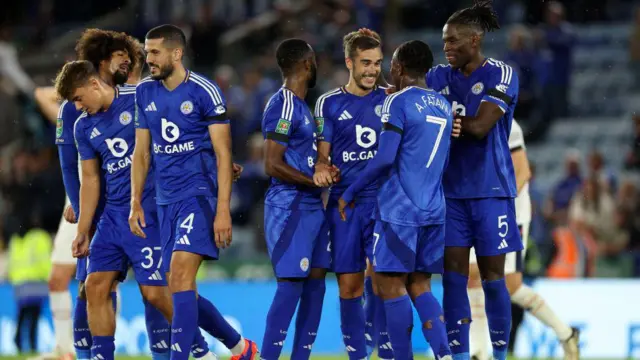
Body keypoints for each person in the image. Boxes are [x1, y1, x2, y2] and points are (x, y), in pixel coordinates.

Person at [130, 24, 258, 360]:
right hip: (163, 200)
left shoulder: (204, 91)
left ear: (176, 53)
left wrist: (222, 210)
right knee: (177, 285)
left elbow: (223, 154)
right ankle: (240, 347)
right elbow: (142, 153)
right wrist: (135, 202)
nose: (149, 59)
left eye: (155, 52)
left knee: (182, 275)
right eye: (146, 52)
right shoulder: (145, 92)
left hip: (198, 195)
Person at [339, 39, 453, 360]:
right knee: (420, 286)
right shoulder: (443, 105)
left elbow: (385, 158)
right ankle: (444, 355)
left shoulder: (397, 103)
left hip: (399, 211)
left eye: (390, 64)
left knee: (390, 287)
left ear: (399, 67)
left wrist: (349, 191)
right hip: (434, 209)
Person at [32, 28, 139, 360]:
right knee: (83, 282)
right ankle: (72, 349)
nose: (127, 66)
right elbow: (70, 166)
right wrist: (81, 211)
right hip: (86, 204)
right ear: (104, 62)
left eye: (130, 61)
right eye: (121, 59)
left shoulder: (134, 96)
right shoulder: (74, 110)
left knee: (127, 286)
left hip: (129, 203)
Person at [426, 1, 523, 359]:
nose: (447, 48)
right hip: (449, 194)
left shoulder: (502, 74)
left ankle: (499, 354)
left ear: (474, 39)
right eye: (444, 42)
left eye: (453, 41)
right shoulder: (437, 77)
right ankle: (460, 355)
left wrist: (446, 123)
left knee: (493, 278)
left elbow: (482, 126)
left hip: (491, 191)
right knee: (452, 276)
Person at [467, 119, 579, 360]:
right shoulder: (468, 117)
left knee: (511, 286)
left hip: (511, 211)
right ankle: (478, 352)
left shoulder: (506, 123)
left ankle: (565, 333)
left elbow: (523, 172)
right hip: (479, 207)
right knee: (472, 274)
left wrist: (500, 202)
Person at [312, 29, 389, 360]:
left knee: (385, 279)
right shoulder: (328, 103)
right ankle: (357, 354)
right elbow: (321, 158)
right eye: (366, 63)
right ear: (349, 62)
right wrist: (323, 170)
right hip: (345, 206)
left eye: (377, 63)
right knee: (349, 287)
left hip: (384, 201)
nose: (373, 70)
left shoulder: (391, 98)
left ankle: (382, 347)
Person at [259, 38, 332, 360]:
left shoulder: (303, 107)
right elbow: (271, 163)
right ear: (307, 63)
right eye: (314, 61)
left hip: (312, 207)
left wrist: (322, 170)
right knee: (291, 285)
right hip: (289, 206)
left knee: (316, 285)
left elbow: (302, 158)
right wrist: (312, 179)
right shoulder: (284, 104)